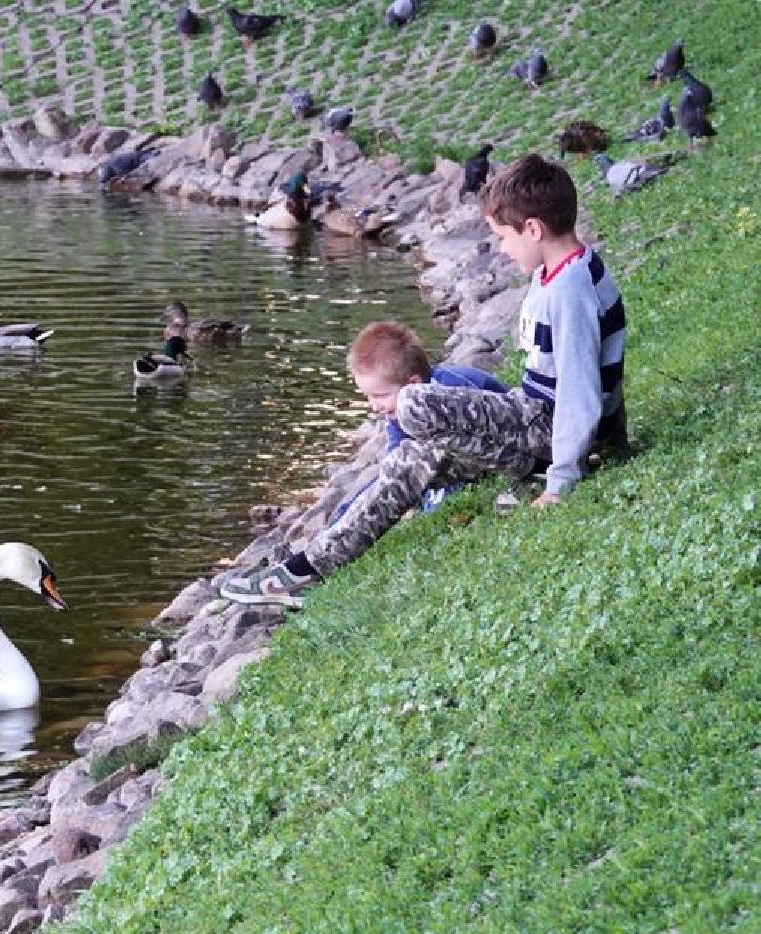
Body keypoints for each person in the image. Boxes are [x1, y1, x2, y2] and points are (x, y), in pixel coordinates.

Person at [223, 155, 625, 608]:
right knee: (416, 456)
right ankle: (306, 570)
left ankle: (301, 572)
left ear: (533, 229)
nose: (503, 250)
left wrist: (563, 479)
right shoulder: (561, 273)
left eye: (503, 238)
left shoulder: (569, 292)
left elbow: (583, 391)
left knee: (413, 404)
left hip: (546, 430)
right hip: (538, 424)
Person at [329, 323, 507, 522]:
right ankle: (337, 525)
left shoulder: (453, 389)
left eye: (380, 395)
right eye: (368, 397)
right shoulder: (396, 413)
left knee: (442, 496)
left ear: (413, 385)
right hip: (439, 459)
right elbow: (397, 456)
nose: (374, 406)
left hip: (479, 453)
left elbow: (493, 431)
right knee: (368, 492)